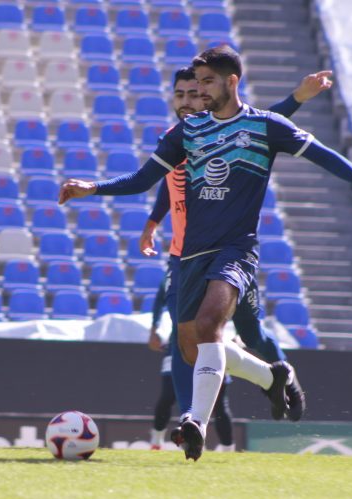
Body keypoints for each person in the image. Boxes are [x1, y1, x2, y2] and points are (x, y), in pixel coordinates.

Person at [60, 45, 352, 461]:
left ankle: (195, 423)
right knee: (192, 346)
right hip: (191, 255)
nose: (199, 90)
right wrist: (94, 188)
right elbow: (143, 179)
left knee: (211, 325)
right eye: (195, 83)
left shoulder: (266, 127)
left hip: (236, 249)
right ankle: (271, 376)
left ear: (231, 81)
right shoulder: (186, 133)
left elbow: (323, 156)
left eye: (207, 82)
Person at [140, 66, 333, 445]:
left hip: (229, 254)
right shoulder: (178, 139)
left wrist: (296, 98)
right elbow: (170, 182)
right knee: (189, 342)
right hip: (186, 257)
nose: (187, 101)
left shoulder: (225, 132)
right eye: (180, 95)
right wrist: (153, 221)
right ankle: (194, 417)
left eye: (194, 94)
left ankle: (281, 375)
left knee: (251, 334)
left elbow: (263, 124)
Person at [148, 275, 234, 451]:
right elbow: (159, 300)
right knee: (168, 396)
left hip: (213, 343)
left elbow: (236, 299)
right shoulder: (174, 271)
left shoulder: (217, 270)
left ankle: (228, 450)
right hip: (178, 343)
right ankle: (156, 442)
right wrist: (154, 328)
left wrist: (240, 333)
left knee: (219, 403)